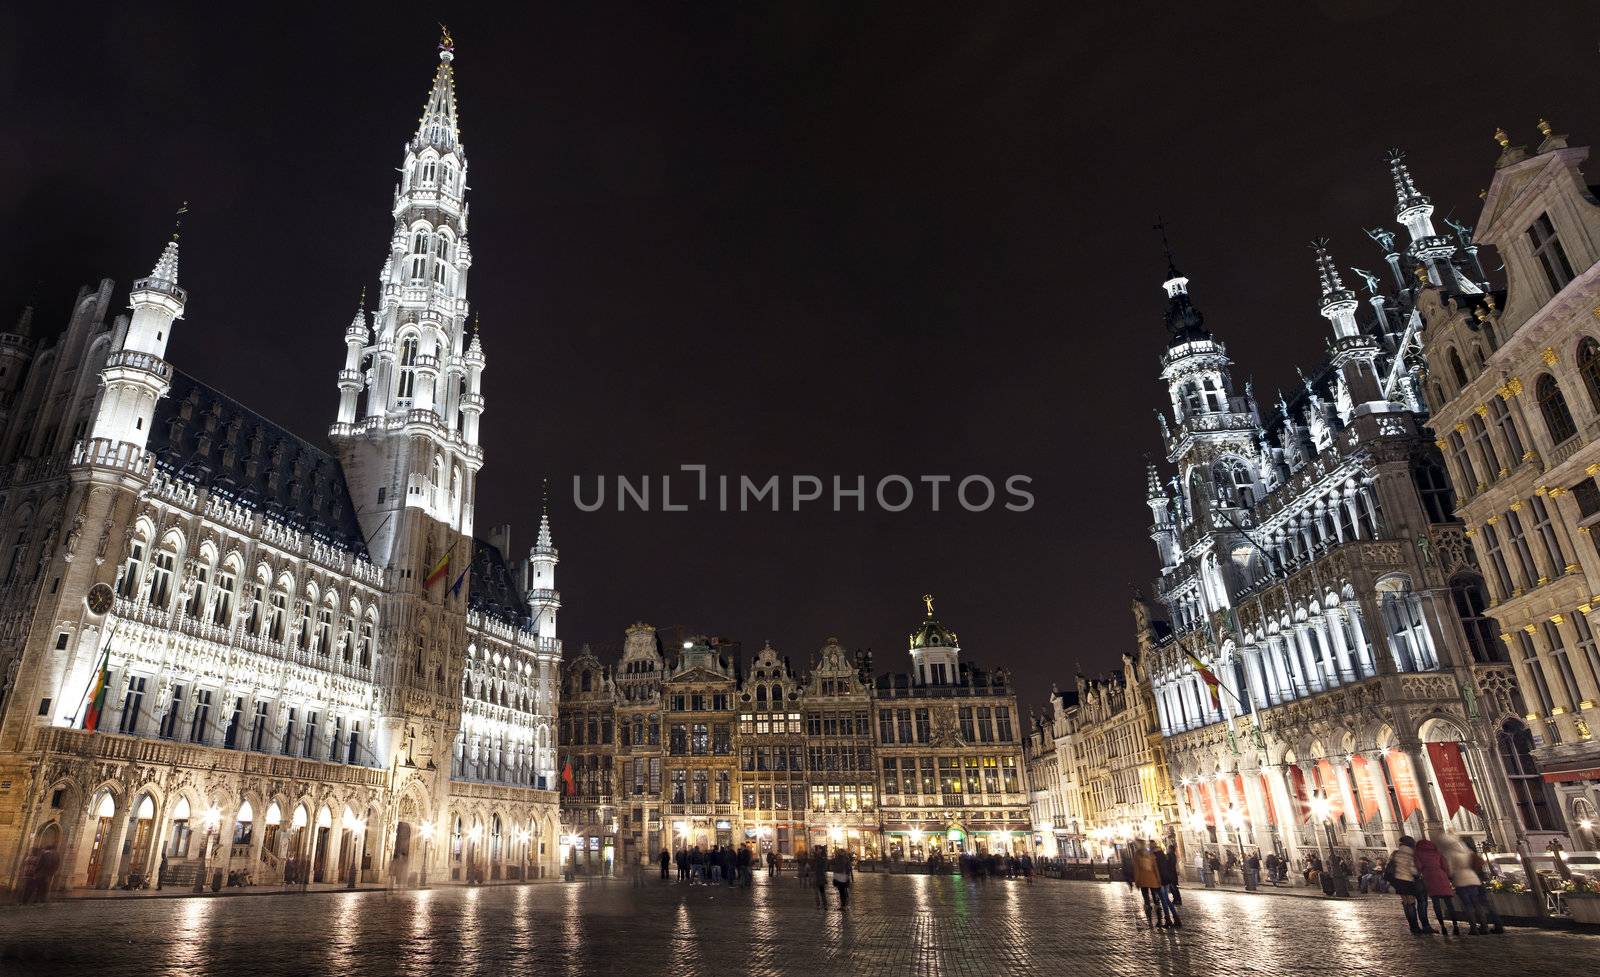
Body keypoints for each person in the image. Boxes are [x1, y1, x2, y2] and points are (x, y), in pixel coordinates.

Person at [1451, 837, 1504, 935]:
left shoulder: (1464, 854)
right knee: (1482, 904)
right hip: (1477, 880)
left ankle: (1480, 927)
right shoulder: (1472, 853)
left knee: (1473, 905)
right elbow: (1481, 863)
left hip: (1469, 881)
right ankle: (1490, 926)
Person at [1387, 835, 1433, 934]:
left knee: (1408, 905)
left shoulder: (1397, 853)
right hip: (1411, 881)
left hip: (1399, 882)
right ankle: (1425, 926)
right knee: (1421, 903)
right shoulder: (1412, 853)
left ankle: (1414, 927)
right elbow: (1413, 869)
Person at [1416, 836, 1461, 934]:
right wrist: (1448, 877)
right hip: (1442, 877)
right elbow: (1445, 866)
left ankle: (1442, 926)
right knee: (1449, 903)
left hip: (1429, 878)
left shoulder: (1418, 854)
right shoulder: (1437, 853)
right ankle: (1455, 925)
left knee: (1436, 904)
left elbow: (1418, 867)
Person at [1157, 842, 1183, 928]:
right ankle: (1177, 901)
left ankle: (1169, 919)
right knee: (1171, 893)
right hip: (1169, 877)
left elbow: (1168, 866)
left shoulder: (1168, 856)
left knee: (1165, 898)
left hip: (1167, 878)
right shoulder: (1171, 856)